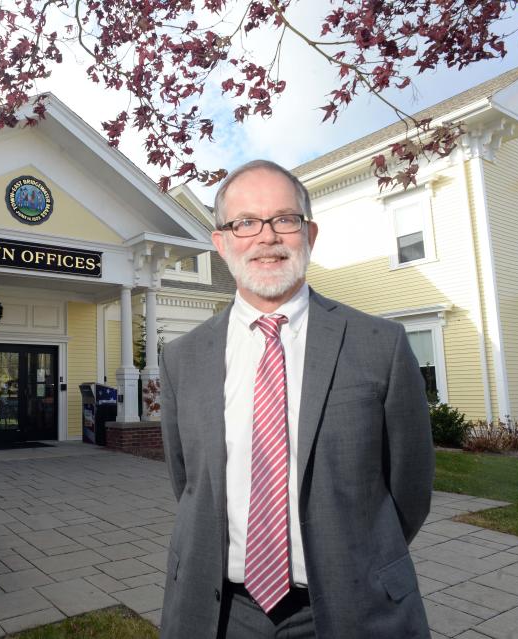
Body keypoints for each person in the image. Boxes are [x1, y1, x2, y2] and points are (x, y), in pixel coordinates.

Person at [159, 160, 434, 639]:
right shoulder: (182, 358)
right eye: (245, 222)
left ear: (309, 233)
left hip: (356, 607)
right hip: (220, 614)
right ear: (221, 242)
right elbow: (188, 482)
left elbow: (410, 490)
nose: (267, 237)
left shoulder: (379, 345)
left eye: (284, 219)